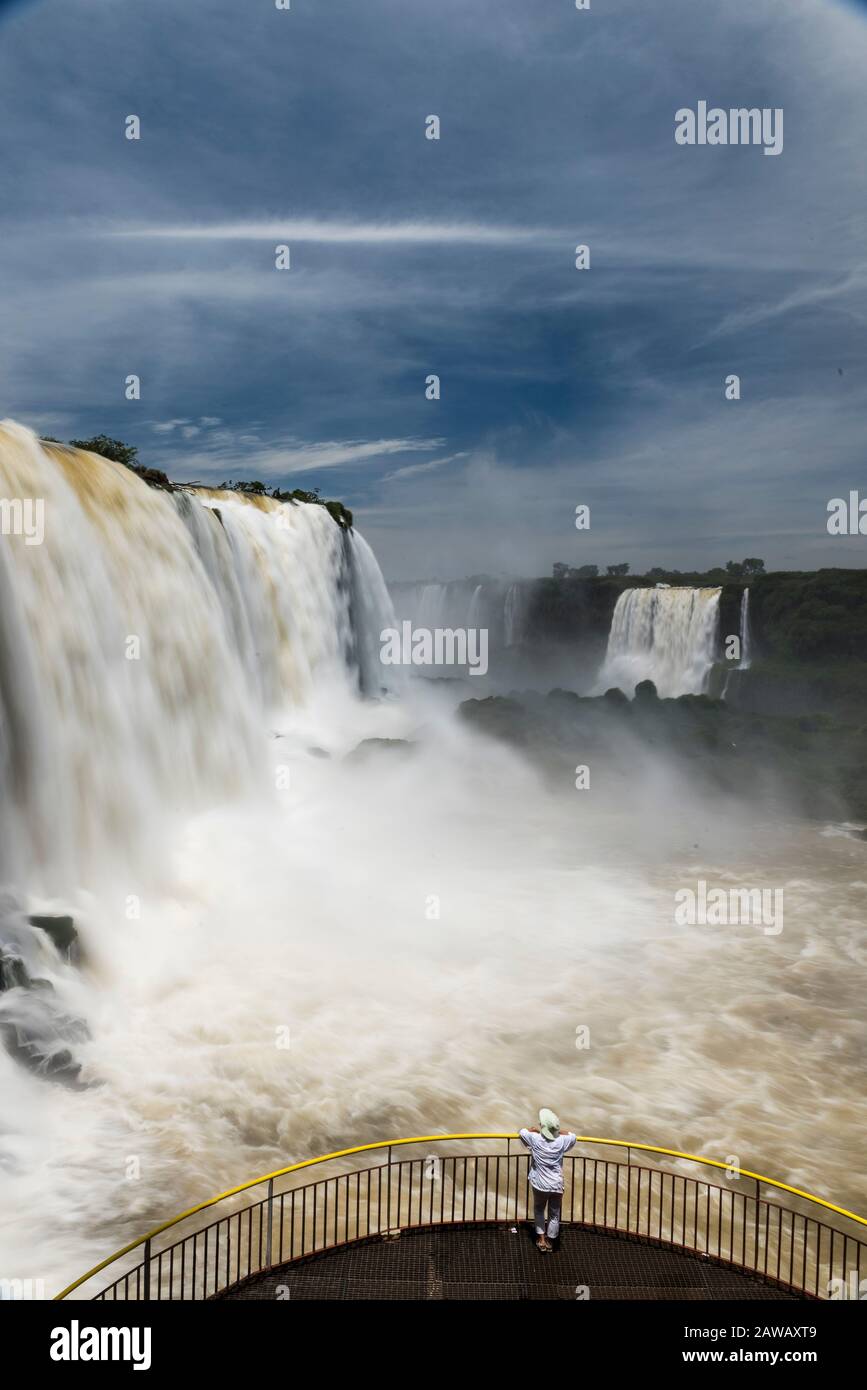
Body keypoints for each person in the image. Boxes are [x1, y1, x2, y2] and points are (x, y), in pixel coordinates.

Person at [519, 1108, 577, 1252]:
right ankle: (551, 1242)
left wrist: (532, 1129)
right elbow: (573, 1136)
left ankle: (541, 1239)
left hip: (539, 1184)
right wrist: (558, 1131)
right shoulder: (562, 1141)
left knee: (539, 1209)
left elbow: (522, 1132)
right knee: (554, 1213)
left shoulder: (535, 1138)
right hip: (556, 1184)